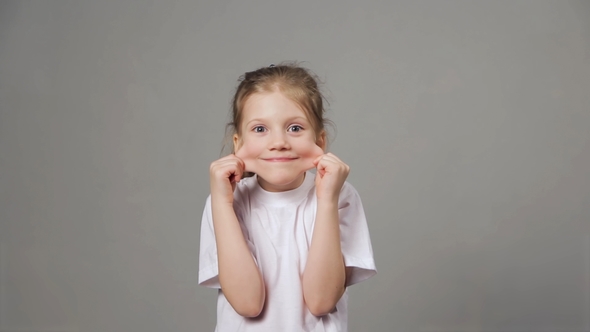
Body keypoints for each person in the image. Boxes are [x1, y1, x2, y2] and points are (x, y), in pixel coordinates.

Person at [198, 62, 376, 331]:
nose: (279, 141)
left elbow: (321, 301)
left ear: (320, 141)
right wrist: (222, 204)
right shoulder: (225, 202)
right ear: (238, 144)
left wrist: (326, 201)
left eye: (294, 128)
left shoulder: (340, 196)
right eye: (260, 129)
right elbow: (247, 304)